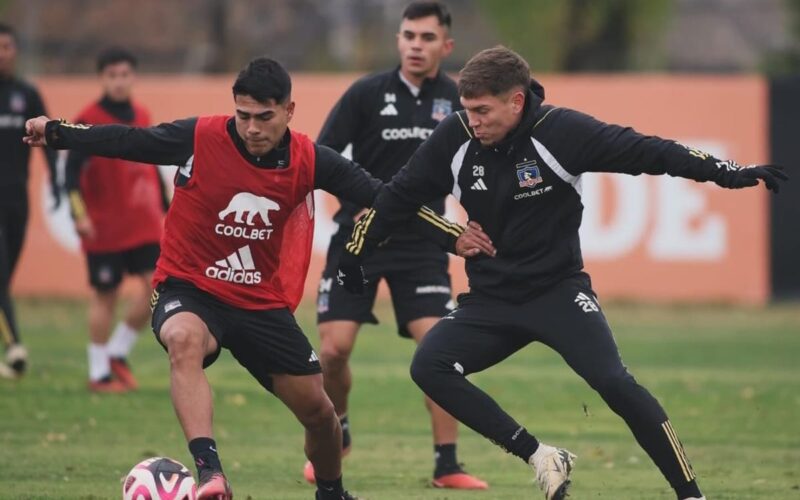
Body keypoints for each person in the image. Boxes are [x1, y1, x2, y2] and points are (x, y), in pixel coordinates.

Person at [337, 46, 788, 500]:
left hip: (558, 293)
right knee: (429, 366)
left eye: (482, 111)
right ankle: (540, 456)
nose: (472, 121)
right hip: (491, 300)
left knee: (614, 383)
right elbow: (396, 198)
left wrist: (729, 172)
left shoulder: (562, 132)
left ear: (516, 102)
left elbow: (650, 152)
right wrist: (358, 255)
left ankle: (691, 494)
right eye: (466, 110)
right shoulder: (454, 138)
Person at [24, 57, 479, 500]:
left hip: (259, 301)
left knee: (321, 416)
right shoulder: (200, 136)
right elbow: (131, 141)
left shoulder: (310, 159)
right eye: (243, 116)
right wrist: (58, 132)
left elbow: (386, 199)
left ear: (288, 111)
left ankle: (332, 492)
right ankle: (210, 475)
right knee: (183, 340)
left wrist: (452, 236)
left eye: (265, 117)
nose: (253, 128)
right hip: (189, 285)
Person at [309, 1, 486, 489]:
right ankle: (335, 432)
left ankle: (447, 464)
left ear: (446, 47)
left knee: (439, 350)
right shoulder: (365, 93)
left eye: (427, 38)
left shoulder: (459, 100)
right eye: (409, 35)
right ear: (398, 41)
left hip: (423, 243)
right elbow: (322, 156)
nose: (416, 45)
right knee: (333, 350)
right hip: (359, 239)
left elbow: (478, 166)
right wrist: (359, 201)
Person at [64, 47, 168, 393]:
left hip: (143, 223)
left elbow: (152, 165)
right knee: (106, 296)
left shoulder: (141, 113)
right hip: (104, 226)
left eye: (125, 74)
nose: (119, 81)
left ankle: (118, 352)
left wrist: (167, 207)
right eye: (112, 75)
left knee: (159, 287)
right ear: (102, 79)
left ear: (133, 77)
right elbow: (71, 173)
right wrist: (79, 215)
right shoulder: (87, 118)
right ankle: (99, 373)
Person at [0, 23, 59, 379]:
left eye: (6, 46)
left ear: (15, 51)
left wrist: (57, 178)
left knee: (5, 275)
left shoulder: (27, 94)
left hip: (16, 197)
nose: (1, 53)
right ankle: (15, 346)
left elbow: (48, 137)